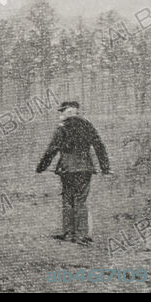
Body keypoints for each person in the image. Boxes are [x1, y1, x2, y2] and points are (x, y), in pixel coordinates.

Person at [36, 101, 111, 245]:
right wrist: (105, 167)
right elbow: (99, 146)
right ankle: (81, 235)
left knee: (68, 200)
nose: (61, 115)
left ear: (67, 112)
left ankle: (69, 233)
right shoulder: (88, 126)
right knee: (80, 200)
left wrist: (41, 167)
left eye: (62, 112)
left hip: (67, 169)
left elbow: (52, 149)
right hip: (85, 168)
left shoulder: (62, 128)